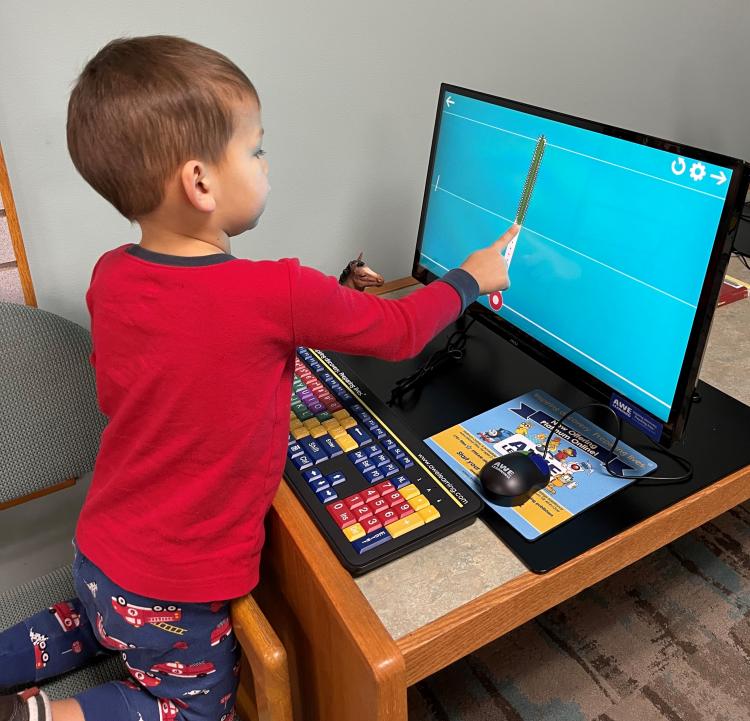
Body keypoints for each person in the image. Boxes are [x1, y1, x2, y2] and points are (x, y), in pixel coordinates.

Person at [0, 35, 518, 721]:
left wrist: (333, 298)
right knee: (193, 710)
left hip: (101, 551)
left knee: (93, 622)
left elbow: (159, 370)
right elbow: (398, 333)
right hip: (174, 590)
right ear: (202, 182)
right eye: (255, 148)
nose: (266, 162)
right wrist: (470, 278)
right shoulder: (275, 294)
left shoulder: (112, 273)